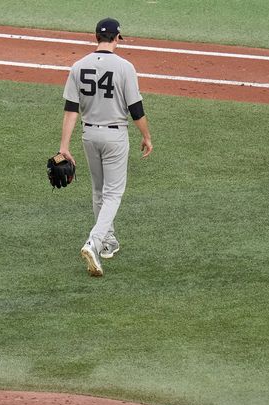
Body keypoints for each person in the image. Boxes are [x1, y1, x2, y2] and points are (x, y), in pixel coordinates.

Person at [58, 18, 153, 277]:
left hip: (89, 135)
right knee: (113, 194)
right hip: (115, 136)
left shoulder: (78, 66)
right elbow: (136, 109)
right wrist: (146, 136)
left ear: (95, 37)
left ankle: (109, 241)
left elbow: (70, 109)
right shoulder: (125, 67)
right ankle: (94, 242)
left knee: (98, 191)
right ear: (117, 38)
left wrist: (64, 146)